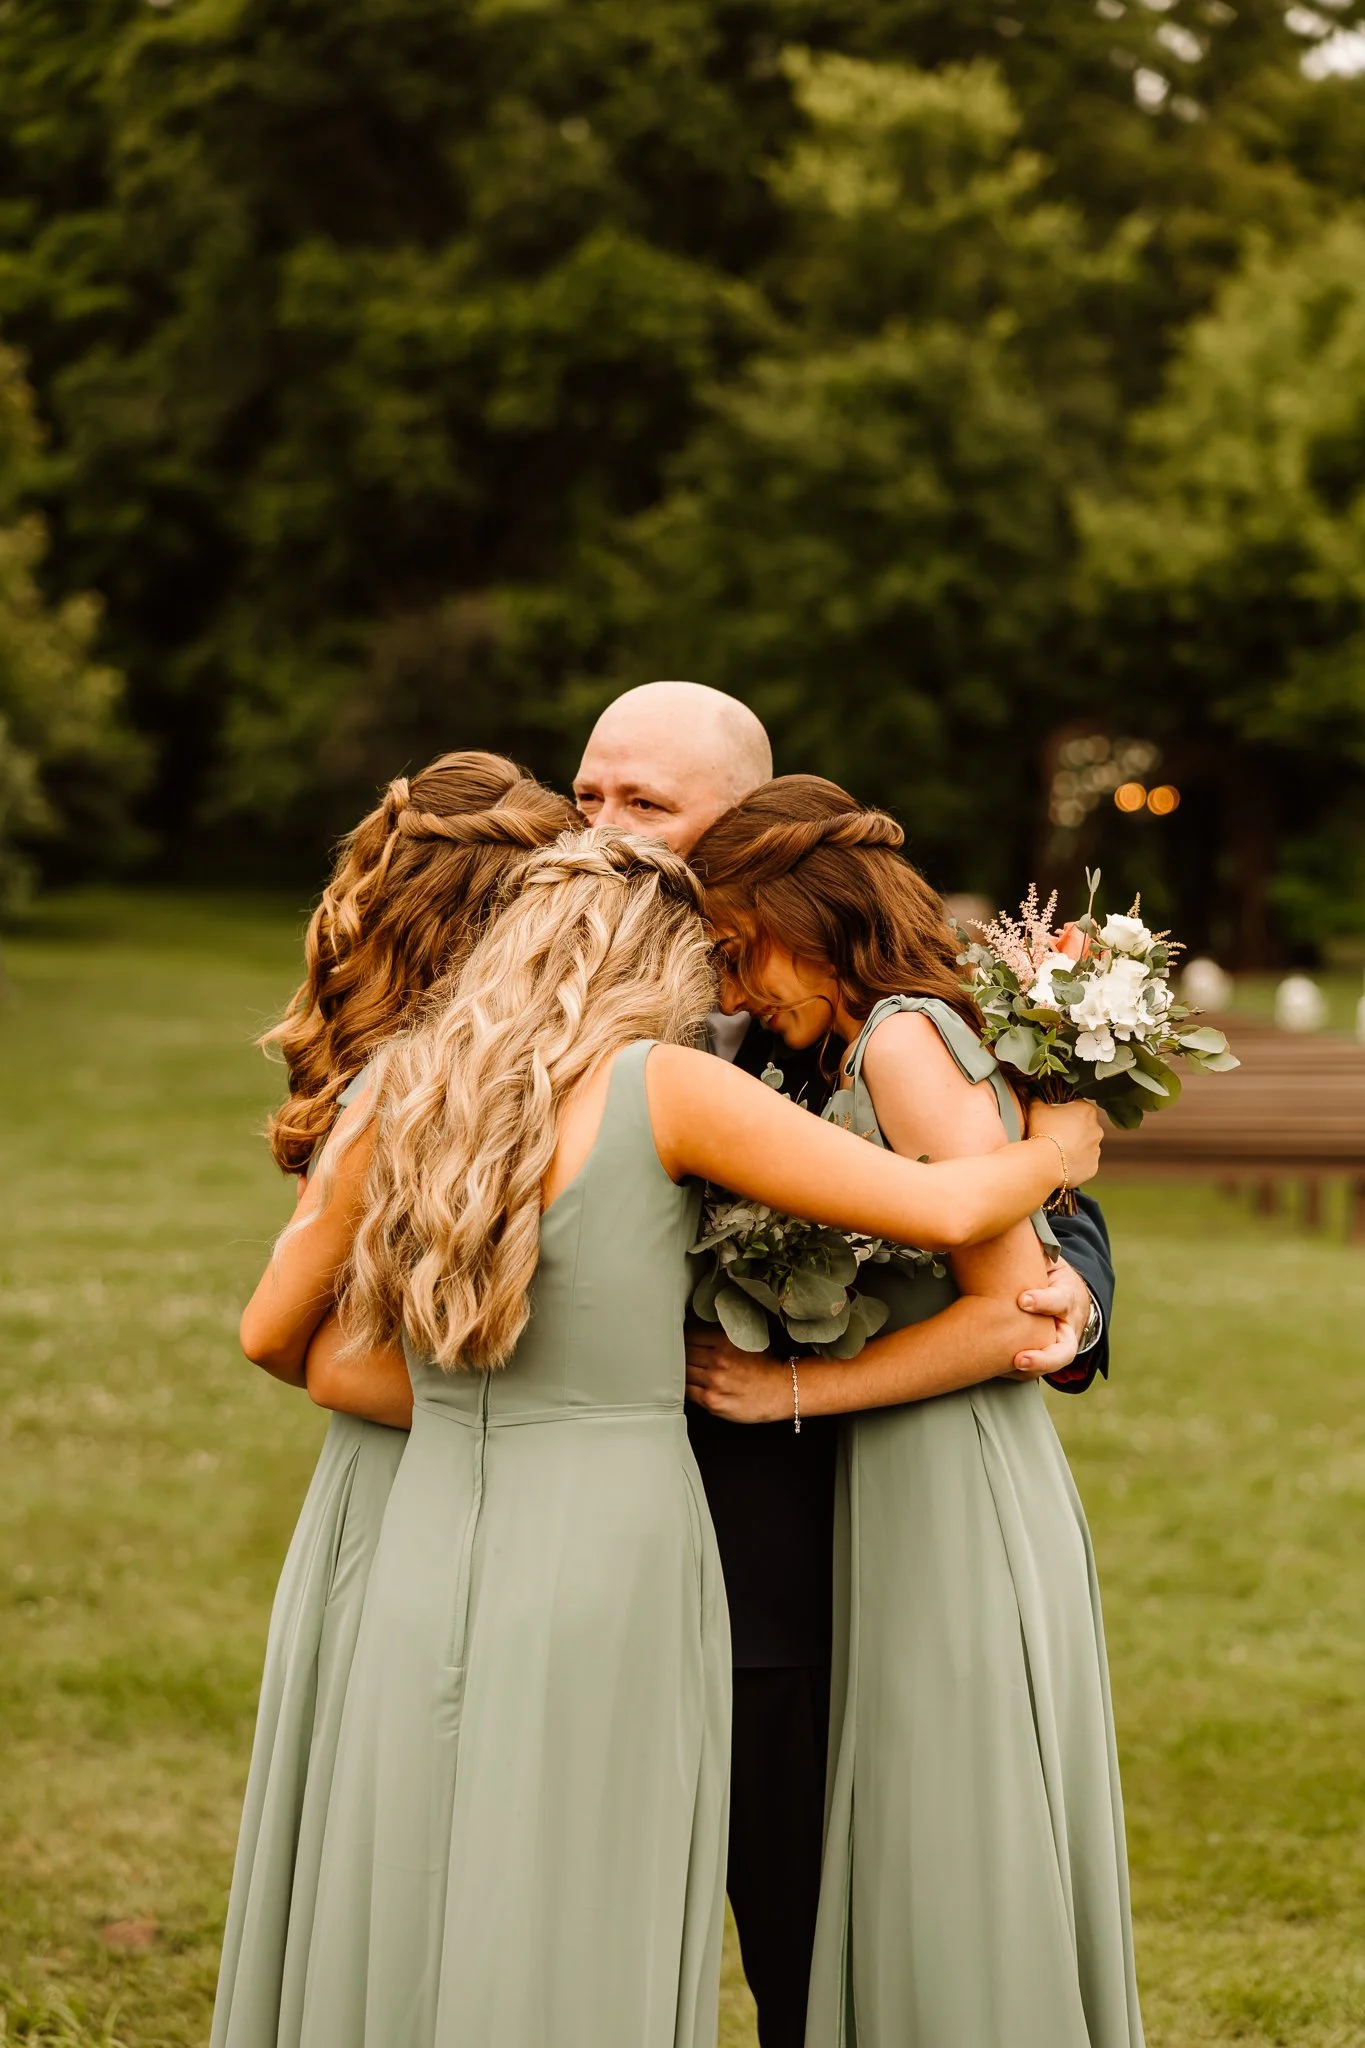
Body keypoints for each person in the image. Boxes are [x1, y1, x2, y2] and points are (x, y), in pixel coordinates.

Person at [234, 828, 1101, 2047]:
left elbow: (277, 1336)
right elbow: (950, 1203)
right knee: (591, 1900)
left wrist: (491, 1407)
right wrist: (1064, 1144)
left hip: (429, 1533)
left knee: (428, 1874)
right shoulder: (666, 1085)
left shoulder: (403, 1084)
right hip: (615, 1542)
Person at [574, 680, 1115, 2047]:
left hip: (827, 1536)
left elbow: (1013, 1265)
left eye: (647, 804)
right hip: (635, 1525)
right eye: (588, 795)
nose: (608, 831)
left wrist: (1067, 1274)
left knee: (857, 1904)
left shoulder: (887, 1034)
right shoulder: (575, 991)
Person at [688, 778, 1144, 2048]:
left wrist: (794, 1386)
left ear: (808, 915)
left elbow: (1009, 1310)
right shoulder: (880, 1035)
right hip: (902, 1474)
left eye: (740, 946)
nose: (732, 987)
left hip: (945, 1474)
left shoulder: (896, 1039)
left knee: (948, 1830)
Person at [214, 753, 575, 2048]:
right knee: (406, 1846)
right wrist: (567, 1431)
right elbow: (294, 1342)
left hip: (432, 1478)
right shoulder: (408, 1082)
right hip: (417, 1487)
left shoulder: (473, 1076)